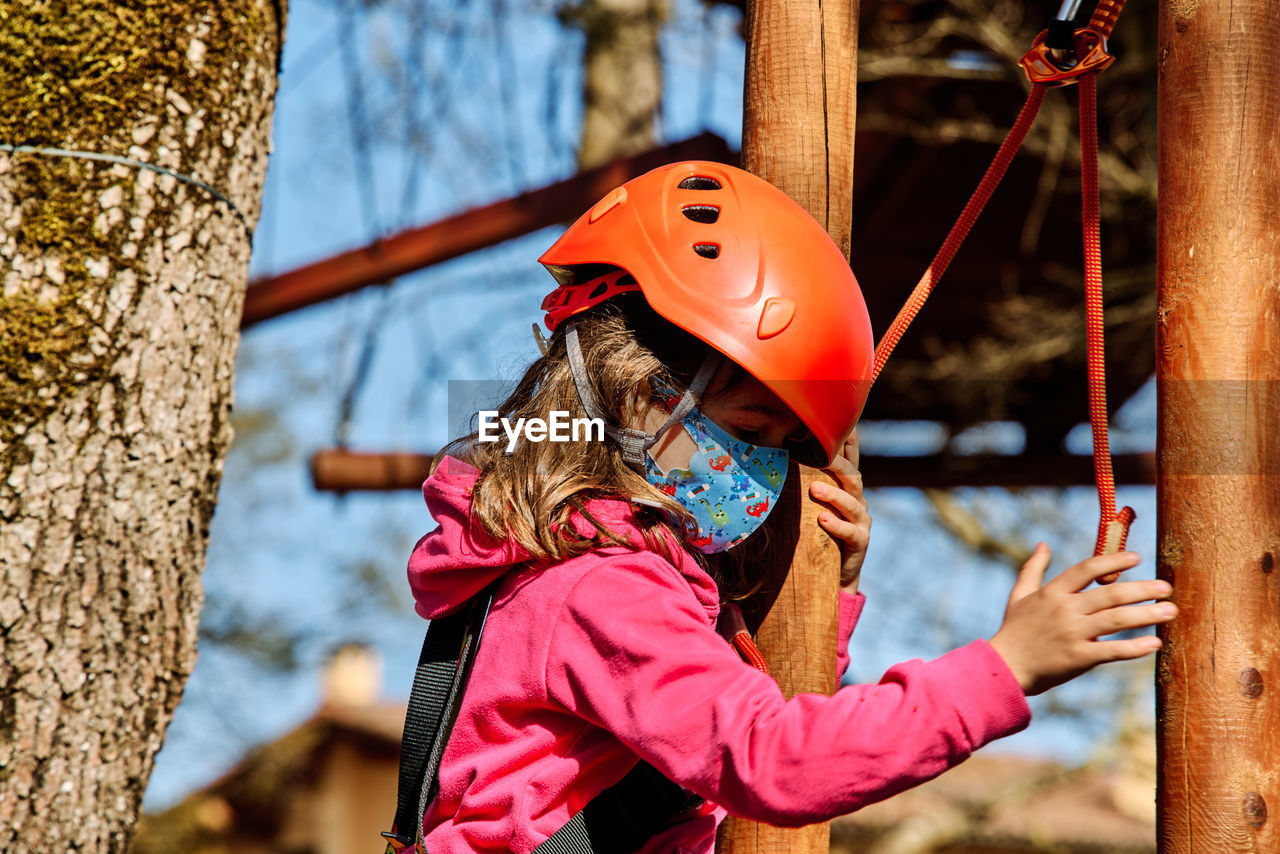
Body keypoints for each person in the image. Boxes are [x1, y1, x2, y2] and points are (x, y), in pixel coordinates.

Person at [405, 161, 1175, 853]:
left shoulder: (572, 574)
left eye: (780, 444)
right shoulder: (604, 590)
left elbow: (725, 738)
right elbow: (772, 759)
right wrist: (1004, 668)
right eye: (748, 430)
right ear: (638, 395)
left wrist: (825, 598)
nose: (758, 467)